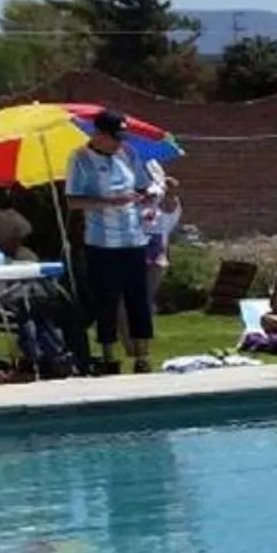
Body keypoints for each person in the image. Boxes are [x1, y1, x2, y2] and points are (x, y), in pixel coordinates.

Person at [63, 110, 154, 373]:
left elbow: (142, 186)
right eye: (115, 138)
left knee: (138, 298)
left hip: (134, 238)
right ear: (99, 135)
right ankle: (108, 354)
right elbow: (73, 200)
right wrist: (108, 203)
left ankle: (142, 356)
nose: (119, 143)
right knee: (107, 300)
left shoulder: (128, 153)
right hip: (102, 243)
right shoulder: (80, 159)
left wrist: (148, 195)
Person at [138, 169, 182, 315]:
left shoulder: (170, 204)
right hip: (144, 244)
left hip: (156, 246)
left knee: (148, 289)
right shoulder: (152, 202)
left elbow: (163, 210)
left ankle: (145, 316)